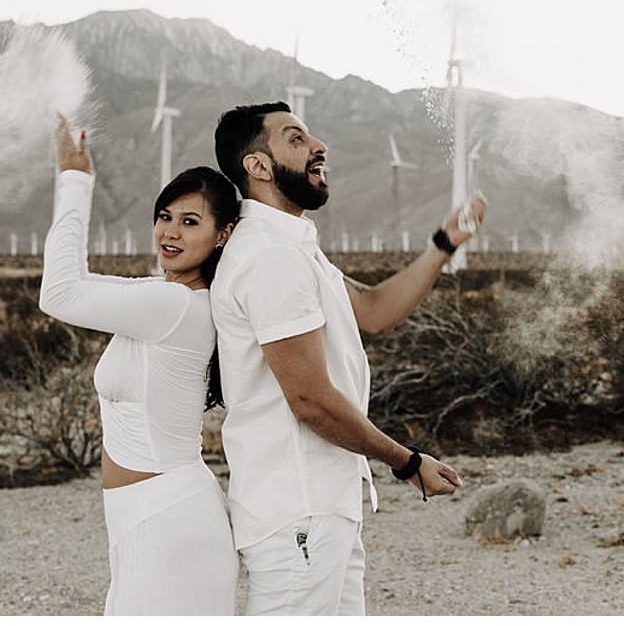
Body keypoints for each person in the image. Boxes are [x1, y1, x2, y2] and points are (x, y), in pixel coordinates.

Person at [206, 101, 486, 615]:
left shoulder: (294, 250)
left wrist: (444, 244)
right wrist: (408, 462)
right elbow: (310, 400)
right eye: (295, 139)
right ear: (259, 167)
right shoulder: (271, 259)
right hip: (298, 514)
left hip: (320, 510)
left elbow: (376, 311)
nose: (319, 147)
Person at [35, 112, 238, 615]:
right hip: (144, 518)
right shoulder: (166, 297)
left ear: (222, 235)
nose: (170, 232)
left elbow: (57, 292)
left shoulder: (177, 308)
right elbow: (77, 282)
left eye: (190, 222)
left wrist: (75, 180)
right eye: (164, 216)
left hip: (169, 521)